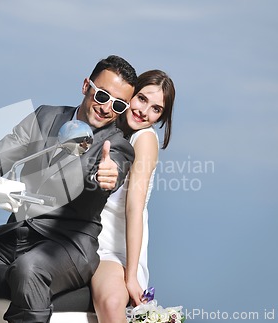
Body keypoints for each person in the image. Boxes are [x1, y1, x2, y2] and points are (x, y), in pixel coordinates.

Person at [0, 55, 137, 323]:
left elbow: (106, 178)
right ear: (86, 86)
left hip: (68, 246)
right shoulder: (45, 117)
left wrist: (105, 179)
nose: (106, 108)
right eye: (102, 96)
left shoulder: (117, 146)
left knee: (28, 269)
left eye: (119, 104)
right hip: (15, 235)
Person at [91, 70, 176, 323]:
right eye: (141, 99)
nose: (144, 112)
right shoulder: (108, 124)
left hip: (114, 247)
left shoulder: (145, 139)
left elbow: (134, 208)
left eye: (156, 109)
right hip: (84, 234)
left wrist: (130, 276)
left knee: (112, 301)